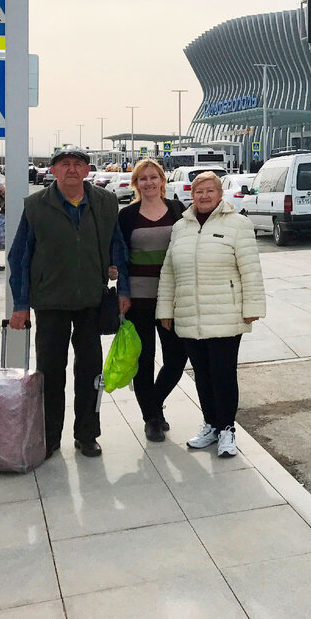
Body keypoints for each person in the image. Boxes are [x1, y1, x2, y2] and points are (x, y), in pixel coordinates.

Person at [8, 145, 130, 460]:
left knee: (89, 371)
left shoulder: (104, 203)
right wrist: (20, 304)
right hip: (50, 302)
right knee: (50, 372)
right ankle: (49, 438)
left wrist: (124, 288)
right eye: (65, 164)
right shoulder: (36, 206)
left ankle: (87, 435)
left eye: (78, 164)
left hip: (91, 300)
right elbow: (19, 256)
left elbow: (118, 246)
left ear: (88, 171)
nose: (72, 169)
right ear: (54, 171)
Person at [156, 171, 265, 458]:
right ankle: (211, 425)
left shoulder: (238, 224)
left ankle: (227, 428)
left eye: (210, 191)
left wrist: (252, 307)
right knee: (202, 374)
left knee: (223, 373)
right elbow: (169, 273)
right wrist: (166, 310)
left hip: (225, 314)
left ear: (220, 194)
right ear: (191, 195)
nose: (204, 196)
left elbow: (250, 269)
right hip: (190, 314)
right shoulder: (181, 227)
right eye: (198, 191)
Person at [117, 158, 187, 443]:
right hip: (138, 299)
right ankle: (152, 419)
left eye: (153, 177)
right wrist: (122, 292)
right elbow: (119, 258)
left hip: (172, 298)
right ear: (136, 183)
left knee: (176, 358)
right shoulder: (127, 216)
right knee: (143, 361)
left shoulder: (177, 210)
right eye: (142, 178)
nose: (148, 182)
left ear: (162, 180)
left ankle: (154, 404)